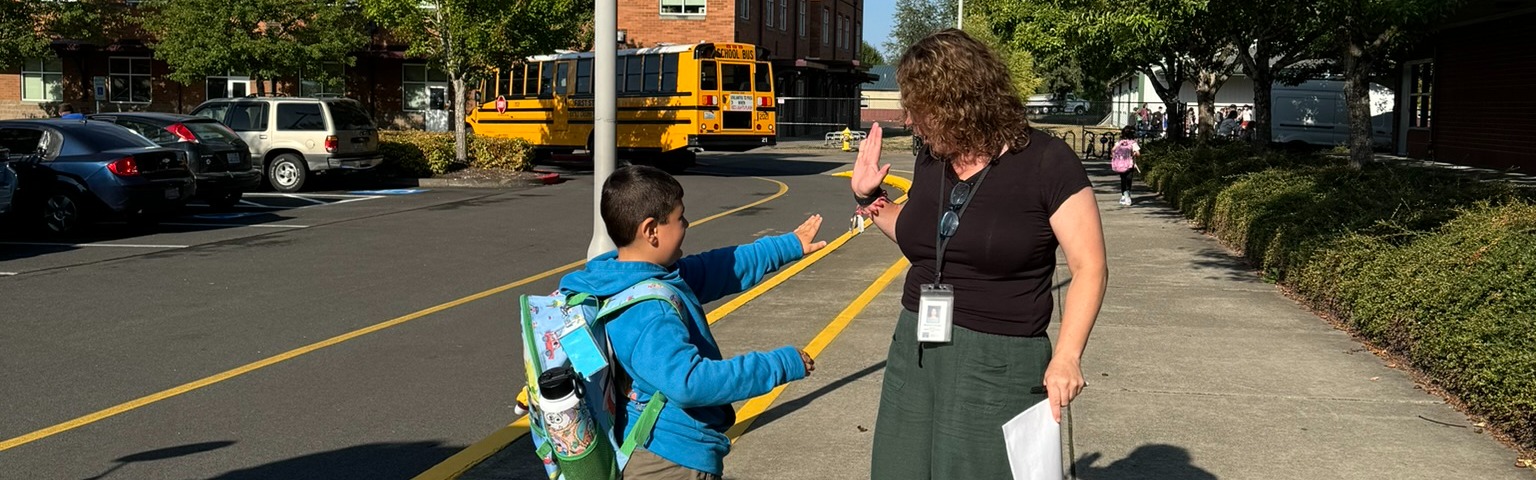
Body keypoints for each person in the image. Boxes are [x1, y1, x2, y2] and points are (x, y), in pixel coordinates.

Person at [851, 29, 1108, 479]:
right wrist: (871, 200)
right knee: (899, 470)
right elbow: (926, 237)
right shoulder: (934, 157)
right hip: (916, 347)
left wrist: (1067, 355)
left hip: (999, 359)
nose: (909, 121)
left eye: (919, 108)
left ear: (958, 101)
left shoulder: (1047, 161)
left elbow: (1090, 267)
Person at [559, 165, 825, 480]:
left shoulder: (621, 276)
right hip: (670, 461)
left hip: (652, 443)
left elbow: (719, 267)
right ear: (651, 230)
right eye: (680, 217)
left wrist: (788, 245)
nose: (687, 224)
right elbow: (691, 383)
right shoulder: (649, 312)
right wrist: (780, 364)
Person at [1110, 125, 1141, 206]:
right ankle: (1128, 195)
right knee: (1129, 180)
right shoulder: (1133, 143)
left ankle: (1123, 195)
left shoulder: (1119, 142)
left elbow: (1113, 150)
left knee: (1123, 180)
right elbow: (1138, 154)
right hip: (1129, 165)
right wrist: (1133, 154)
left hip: (1120, 165)